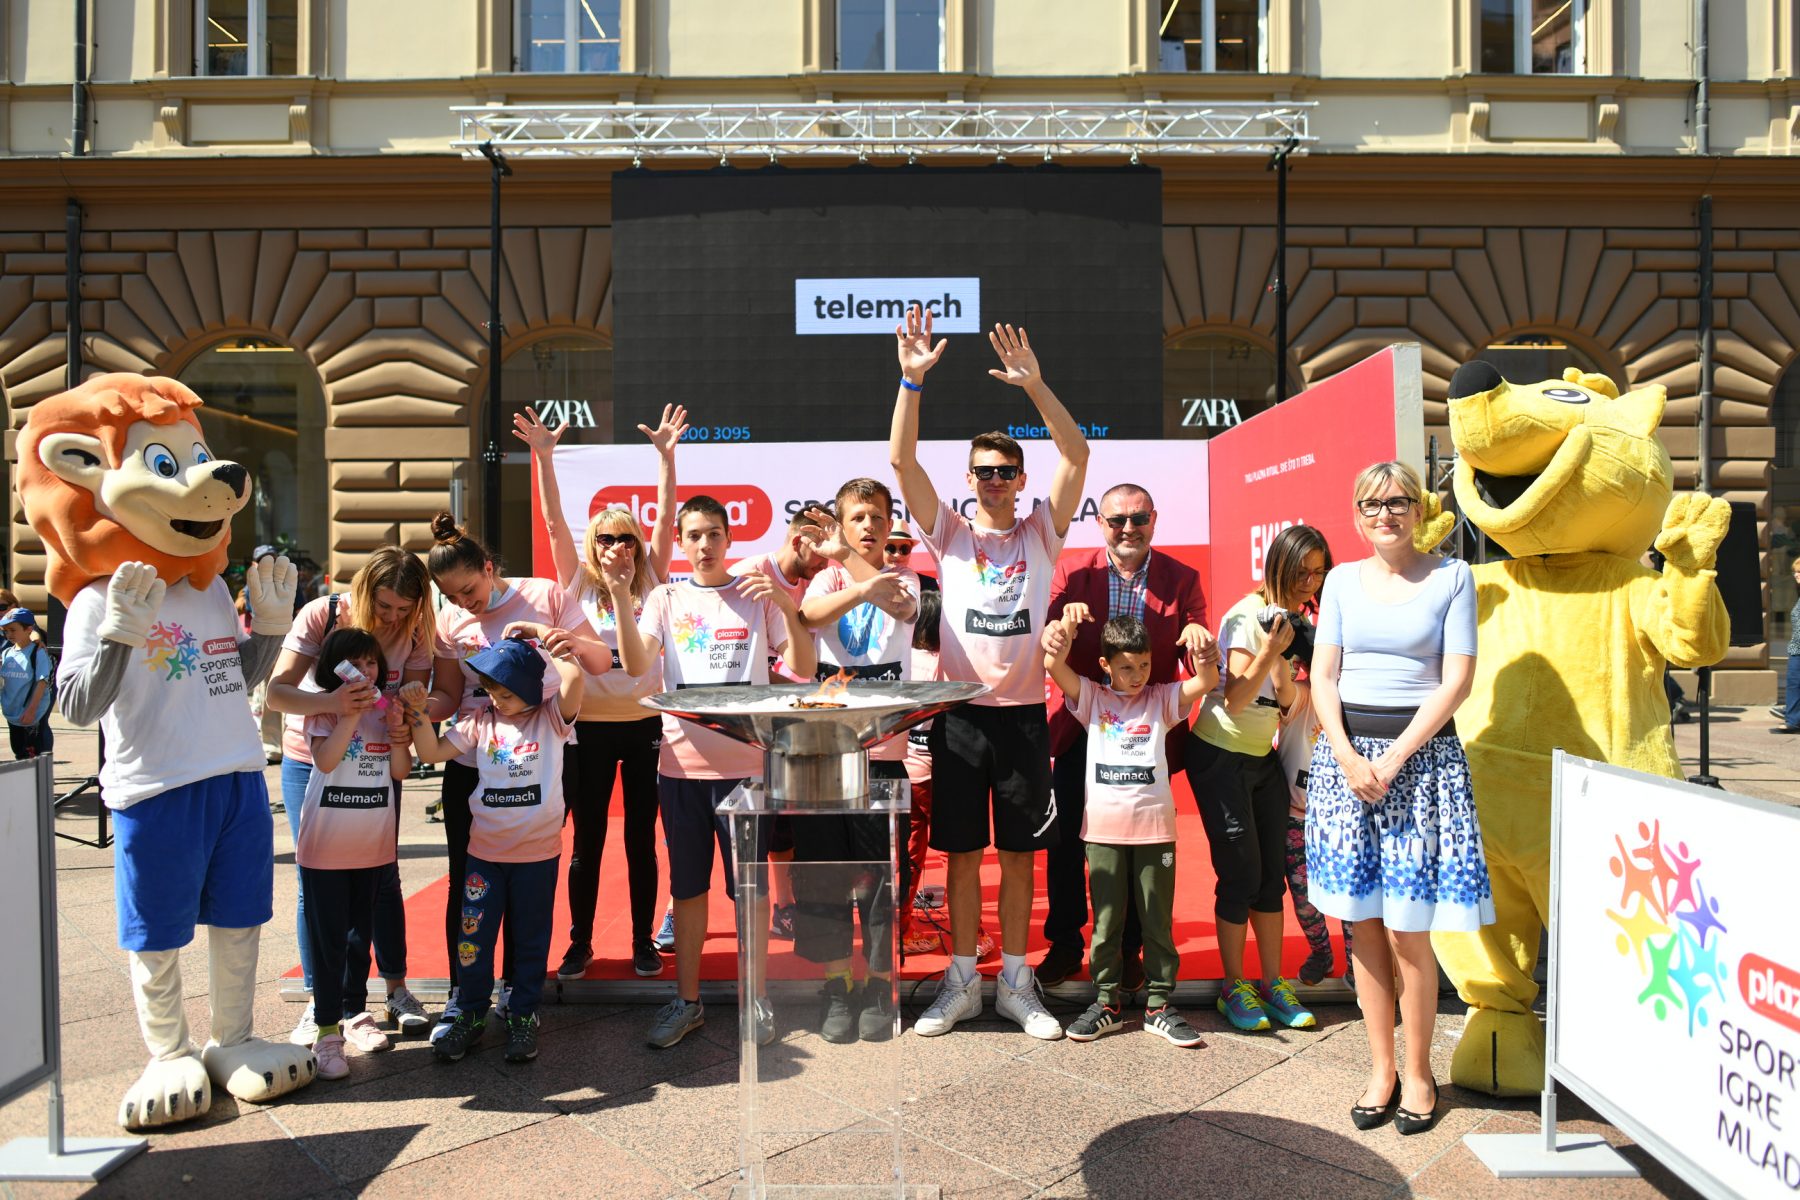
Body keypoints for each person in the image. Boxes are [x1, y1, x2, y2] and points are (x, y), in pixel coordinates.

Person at [888, 305, 1089, 1040]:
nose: (995, 482)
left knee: (1020, 856)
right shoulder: (948, 531)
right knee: (964, 856)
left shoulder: (1041, 531)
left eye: (1006, 472)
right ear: (969, 479)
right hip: (959, 717)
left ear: (1020, 478)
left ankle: (1016, 983)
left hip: (1024, 719)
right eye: (984, 473)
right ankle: (963, 981)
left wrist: (1034, 385)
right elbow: (901, 464)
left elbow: (1078, 455)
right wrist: (911, 383)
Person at [1306, 461, 1494, 1135]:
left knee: (1409, 929)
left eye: (1397, 502)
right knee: (1361, 923)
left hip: (1421, 767)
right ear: (1357, 515)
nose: (1384, 514)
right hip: (1348, 768)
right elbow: (1323, 676)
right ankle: (1380, 1068)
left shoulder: (1453, 577)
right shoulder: (1338, 581)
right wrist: (1348, 756)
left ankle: (1418, 1073)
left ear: (1418, 510)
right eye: (1371, 504)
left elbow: (1456, 681)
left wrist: (1393, 757)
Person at [607, 495, 816, 1049]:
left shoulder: (755, 595)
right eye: (695, 535)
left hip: (748, 770)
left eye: (714, 534)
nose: (705, 544)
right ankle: (688, 1001)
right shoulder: (664, 597)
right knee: (688, 888)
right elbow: (635, 665)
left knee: (750, 892)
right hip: (680, 769)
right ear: (680, 541)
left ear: (729, 538)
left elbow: (804, 665)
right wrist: (620, 594)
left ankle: (757, 998)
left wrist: (786, 604)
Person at [514, 403, 683, 981]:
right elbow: (554, 523)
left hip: (644, 727)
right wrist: (544, 457)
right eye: (607, 537)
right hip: (585, 728)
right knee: (587, 839)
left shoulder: (651, 577)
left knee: (641, 840)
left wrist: (666, 458)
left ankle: (641, 942)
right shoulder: (577, 581)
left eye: (626, 537)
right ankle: (580, 943)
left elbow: (665, 518)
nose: (618, 545)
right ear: (594, 544)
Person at [426, 513, 611, 1039]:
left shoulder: (543, 594)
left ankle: (517, 994)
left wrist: (549, 636)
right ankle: (464, 996)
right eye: (451, 596)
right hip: (472, 759)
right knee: (467, 882)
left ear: (488, 567)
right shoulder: (450, 621)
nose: (463, 603)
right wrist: (412, 711)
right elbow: (447, 695)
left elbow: (599, 661)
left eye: (469, 589)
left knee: (529, 881)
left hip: (543, 755)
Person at [267, 546, 450, 1043]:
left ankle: (394, 989)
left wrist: (411, 713)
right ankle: (320, 1000)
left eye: (404, 609)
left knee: (382, 877)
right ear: (365, 590)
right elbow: (277, 692)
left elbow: (416, 700)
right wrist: (333, 701)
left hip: (374, 762)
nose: (392, 618)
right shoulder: (322, 614)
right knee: (314, 882)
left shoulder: (415, 632)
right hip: (314, 760)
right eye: (385, 606)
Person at [1039, 483, 1214, 988]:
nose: (1128, 529)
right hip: (1083, 727)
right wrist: (1060, 627)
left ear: (1154, 519)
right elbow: (1049, 640)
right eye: (1117, 520)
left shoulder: (1182, 579)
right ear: (1101, 524)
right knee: (1066, 843)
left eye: (1138, 519)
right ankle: (1066, 943)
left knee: (1139, 846)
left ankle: (1129, 950)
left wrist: (1198, 642)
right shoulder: (1073, 573)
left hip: (1145, 737)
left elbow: (1197, 653)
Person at [400, 635, 585, 1064]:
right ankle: (470, 1013)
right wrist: (417, 712)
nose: (497, 700)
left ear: (530, 688)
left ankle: (522, 1014)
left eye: (506, 692)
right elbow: (430, 751)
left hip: (537, 856)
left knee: (530, 940)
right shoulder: (480, 719)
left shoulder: (552, 718)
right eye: (491, 690)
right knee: (474, 940)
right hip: (484, 854)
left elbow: (574, 681)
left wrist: (552, 647)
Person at [1044, 613, 1218, 1046]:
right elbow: (1054, 667)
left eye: (1144, 664)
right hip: (1103, 831)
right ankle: (1106, 1002)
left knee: (1157, 922)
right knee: (1107, 923)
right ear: (1105, 664)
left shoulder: (1161, 698)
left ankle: (1159, 1005)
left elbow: (1206, 681)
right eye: (1126, 667)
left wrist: (1203, 652)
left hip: (1156, 831)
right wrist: (1064, 633)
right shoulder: (1092, 697)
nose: (1137, 675)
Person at [1188, 524, 1331, 1033]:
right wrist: (1272, 650)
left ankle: (1273, 984)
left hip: (1261, 758)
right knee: (1241, 876)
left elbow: (1287, 701)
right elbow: (1234, 700)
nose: (1308, 581)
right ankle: (1234, 987)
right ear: (1278, 564)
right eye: (1301, 570)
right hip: (1220, 756)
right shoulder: (1246, 616)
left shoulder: (1299, 623)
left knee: (1271, 878)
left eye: (1318, 572)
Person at [791, 479, 919, 1042]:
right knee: (823, 879)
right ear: (842, 525)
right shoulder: (828, 577)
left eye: (877, 516)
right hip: (825, 757)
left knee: (882, 883)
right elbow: (810, 616)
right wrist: (852, 576)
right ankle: (838, 986)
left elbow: (901, 605)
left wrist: (857, 569)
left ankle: (878, 986)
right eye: (858, 517)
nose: (869, 525)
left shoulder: (905, 577)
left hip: (884, 758)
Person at [296, 628, 413, 1079]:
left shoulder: (388, 710)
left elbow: (400, 771)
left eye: (371, 663)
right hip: (326, 846)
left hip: (373, 845)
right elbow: (325, 761)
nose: (365, 672)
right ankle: (327, 1032)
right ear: (336, 670)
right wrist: (348, 712)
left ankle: (356, 1013)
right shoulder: (324, 709)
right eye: (355, 664)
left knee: (359, 938)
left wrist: (399, 733)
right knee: (328, 944)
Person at [0, 607, 55, 760]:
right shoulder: (7, 653)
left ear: (29, 629)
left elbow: (42, 682)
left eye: (13, 630)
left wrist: (32, 709)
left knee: (33, 756)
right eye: (5, 631)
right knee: (18, 752)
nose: (9, 634)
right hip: (12, 713)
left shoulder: (37, 652)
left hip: (30, 715)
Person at [1774, 556, 1800, 734]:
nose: (1796, 575)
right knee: (1793, 683)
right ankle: (1792, 718)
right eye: (1795, 572)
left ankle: (1792, 719)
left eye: (1799, 572)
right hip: (1796, 649)